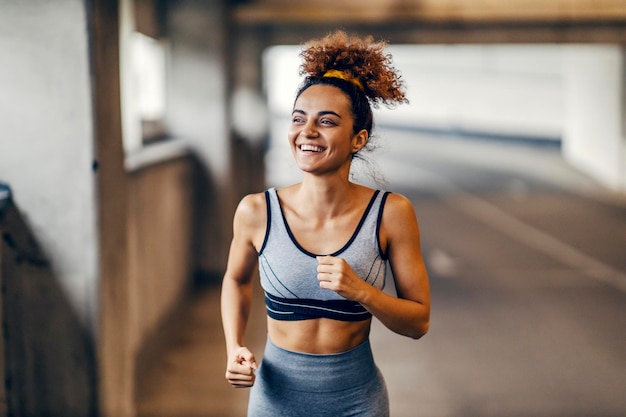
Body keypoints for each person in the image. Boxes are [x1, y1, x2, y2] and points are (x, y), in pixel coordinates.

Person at [220, 31, 430, 417]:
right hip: (276, 402)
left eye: (327, 121)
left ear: (358, 138)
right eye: (299, 119)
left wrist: (362, 292)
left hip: (357, 402)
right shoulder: (256, 211)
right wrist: (235, 347)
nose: (308, 132)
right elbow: (235, 280)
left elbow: (418, 321)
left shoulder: (391, 213)